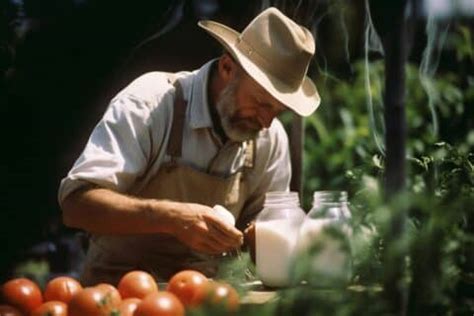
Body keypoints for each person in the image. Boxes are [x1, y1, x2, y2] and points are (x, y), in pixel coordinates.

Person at [58, 7, 320, 285]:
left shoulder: (269, 137)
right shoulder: (150, 104)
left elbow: (267, 231)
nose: (266, 122)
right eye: (261, 102)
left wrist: (262, 235)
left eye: (277, 111)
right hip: (120, 292)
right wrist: (171, 217)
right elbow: (76, 206)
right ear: (228, 68)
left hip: (208, 297)